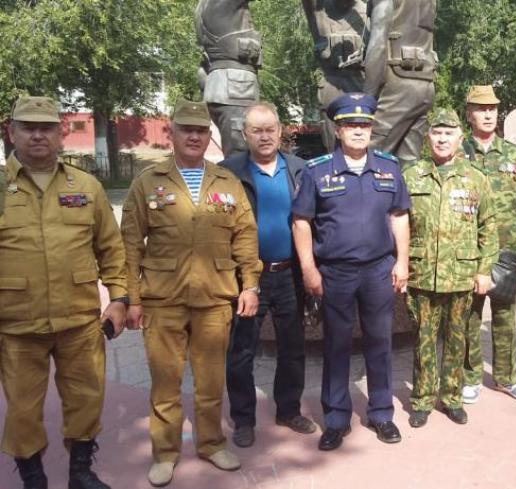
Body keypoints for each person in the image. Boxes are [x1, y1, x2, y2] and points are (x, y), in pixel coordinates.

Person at [122, 100, 261, 486]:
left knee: (211, 381)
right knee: (165, 382)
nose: (195, 136)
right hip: (162, 300)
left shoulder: (227, 182)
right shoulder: (147, 182)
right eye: (187, 129)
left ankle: (211, 444)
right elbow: (129, 244)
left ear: (208, 136)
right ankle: (165, 453)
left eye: (201, 130)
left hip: (215, 298)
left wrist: (250, 284)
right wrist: (132, 299)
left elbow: (245, 237)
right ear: (172, 133)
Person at [0, 96, 127, 489]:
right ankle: (33, 476)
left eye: (46, 128)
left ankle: (80, 472)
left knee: (86, 397)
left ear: (61, 134)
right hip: (16, 324)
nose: (38, 135)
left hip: (79, 320)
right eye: (28, 127)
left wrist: (119, 298)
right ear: (12, 133)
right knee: (22, 409)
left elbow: (111, 247)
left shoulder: (86, 186)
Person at [292, 93, 410, 451]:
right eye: (350, 125)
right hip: (336, 273)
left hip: (378, 270)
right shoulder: (317, 170)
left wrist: (402, 261)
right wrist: (309, 269)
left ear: (371, 129)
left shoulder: (389, 168)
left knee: (380, 342)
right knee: (336, 345)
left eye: (364, 125)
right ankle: (336, 419)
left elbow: (399, 215)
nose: (358, 131)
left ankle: (381, 413)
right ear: (338, 130)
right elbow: (301, 221)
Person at [218, 102, 315, 449]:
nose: (264, 136)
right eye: (256, 130)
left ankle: (288, 410)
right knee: (242, 350)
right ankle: (244, 419)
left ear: (280, 131)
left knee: (293, 347)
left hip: (289, 274)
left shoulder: (299, 169)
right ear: (245, 134)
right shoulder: (227, 172)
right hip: (248, 277)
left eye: (270, 129)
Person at [402, 108, 498, 427]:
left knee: (457, 340)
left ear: (460, 137)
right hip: (422, 273)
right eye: (437, 133)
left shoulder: (475, 178)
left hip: (461, 274)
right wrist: (400, 264)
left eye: (448, 133)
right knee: (423, 340)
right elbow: (398, 224)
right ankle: (422, 399)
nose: (442, 139)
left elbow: (488, 226)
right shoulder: (412, 175)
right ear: (427, 137)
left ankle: (452, 398)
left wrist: (484, 270)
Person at [460, 85, 516, 404]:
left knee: (505, 317)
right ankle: (470, 377)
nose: (488, 114)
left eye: (492, 109)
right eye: (481, 109)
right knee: (469, 317)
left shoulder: (513, 154)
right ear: (469, 114)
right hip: (469, 249)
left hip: (507, 250)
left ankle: (507, 377)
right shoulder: (458, 152)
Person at [364, 0, 436, 162]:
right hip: (424, 83)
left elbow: (378, 45)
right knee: (408, 163)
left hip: (397, 88)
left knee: (365, 155)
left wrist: (365, 101)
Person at [195, 0, 262, 157]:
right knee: (240, 155)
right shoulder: (219, 3)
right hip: (236, 90)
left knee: (239, 154)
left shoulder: (203, 5)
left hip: (223, 88)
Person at [302, 0, 368, 150]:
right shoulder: (320, 12)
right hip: (331, 90)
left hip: (360, 89)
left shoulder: (369, 14)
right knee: (332, 148)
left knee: (360, 148)